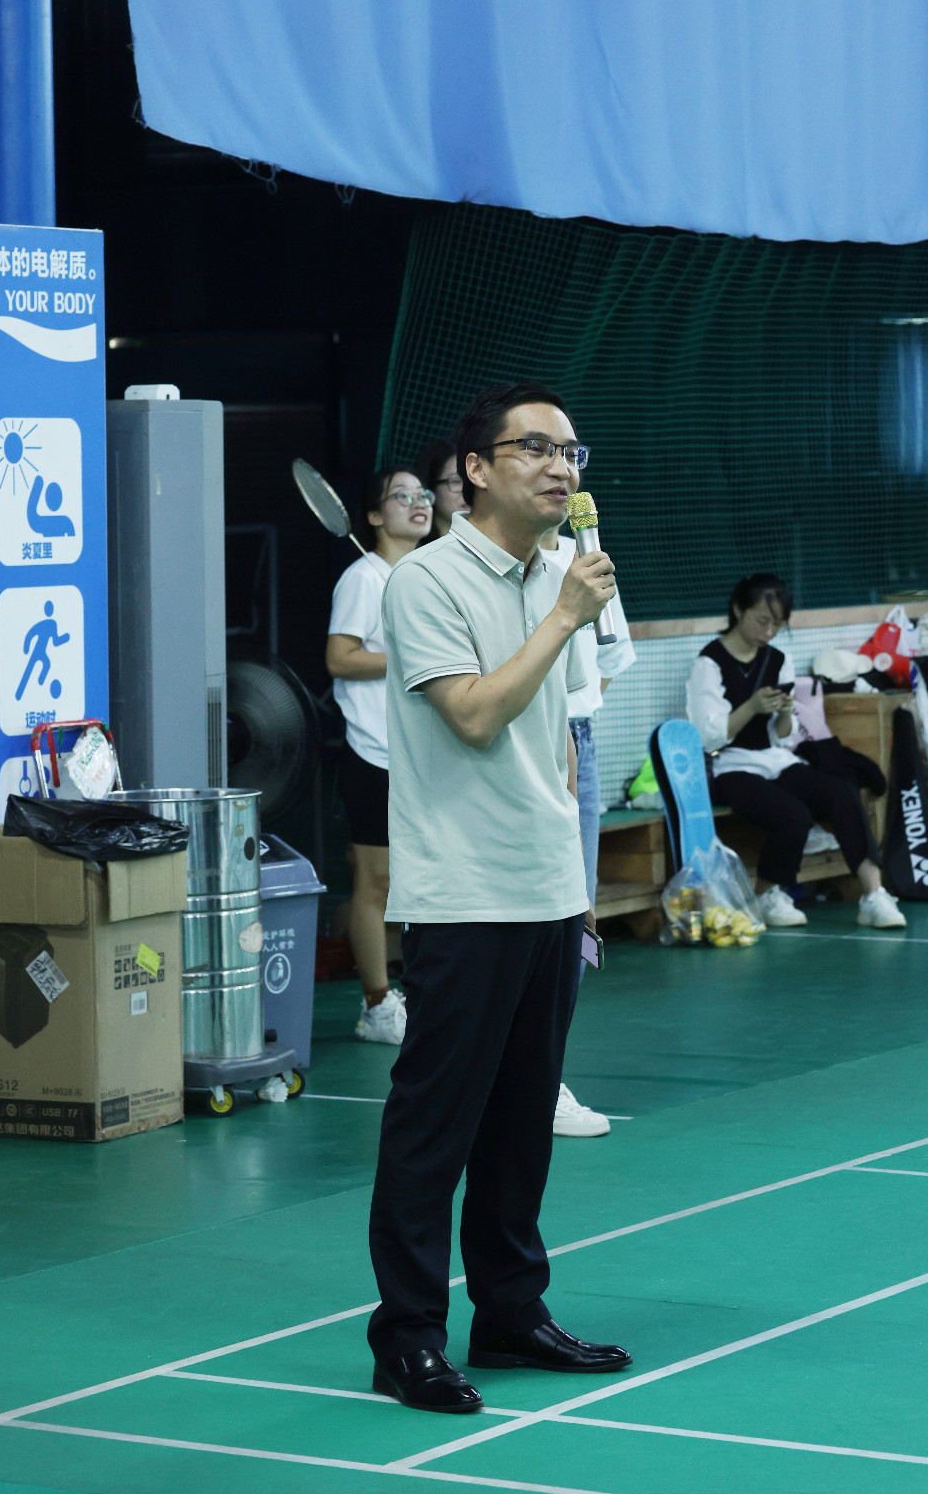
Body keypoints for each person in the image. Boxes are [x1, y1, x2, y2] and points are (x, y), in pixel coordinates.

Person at [368, 382, 633, 1415]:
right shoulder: (425, 581)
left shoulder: (559, 571)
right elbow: (475, 715)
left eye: (571, 452)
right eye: (536, 449)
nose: (561, 467)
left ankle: (512, 1313)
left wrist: (574, 877)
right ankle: (407, 1337)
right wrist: (565, 616)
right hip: (463, 895)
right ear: (476, 469)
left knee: (523, 1124)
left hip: (547, 889)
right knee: (434, 1127)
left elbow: (556, 737)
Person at [686, 573, 906, 930]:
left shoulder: (777, 659)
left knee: (843, 793)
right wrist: (752, 707)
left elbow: (781, 737)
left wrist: (786, 713)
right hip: (729, 766)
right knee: (793, 815)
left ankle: (874, 894)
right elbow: (707, 737)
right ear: (738, 610)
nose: (769, 631)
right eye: (762, 620)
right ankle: (766, 895)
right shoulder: (708, 663)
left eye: (777, 624)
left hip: (775, 759)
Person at [325, 467, 436, 1043]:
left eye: (424, 494)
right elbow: (339, 658)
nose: (418, 503)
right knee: (377, 881)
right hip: (374, 753)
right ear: (373, 516)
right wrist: (409, 657)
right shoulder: (363, 579)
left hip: (423, 754)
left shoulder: (424, 575)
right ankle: (375, 1004)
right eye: (401, 496)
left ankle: (417, 990)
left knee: (422, 880)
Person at [540, 519, 635, 1137]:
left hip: (577, 737)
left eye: (572, 469)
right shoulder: (469, 566)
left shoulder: (589, 557)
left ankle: (543, 1074)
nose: (561, 475)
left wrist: (574, 710)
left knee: (577, 909)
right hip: (517, 735)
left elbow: (613, 652)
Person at [416, 439, 470, 539]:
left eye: (472, 480)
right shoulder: (413, 545)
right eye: (455, 481)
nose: (468, 489)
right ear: (431, 489)